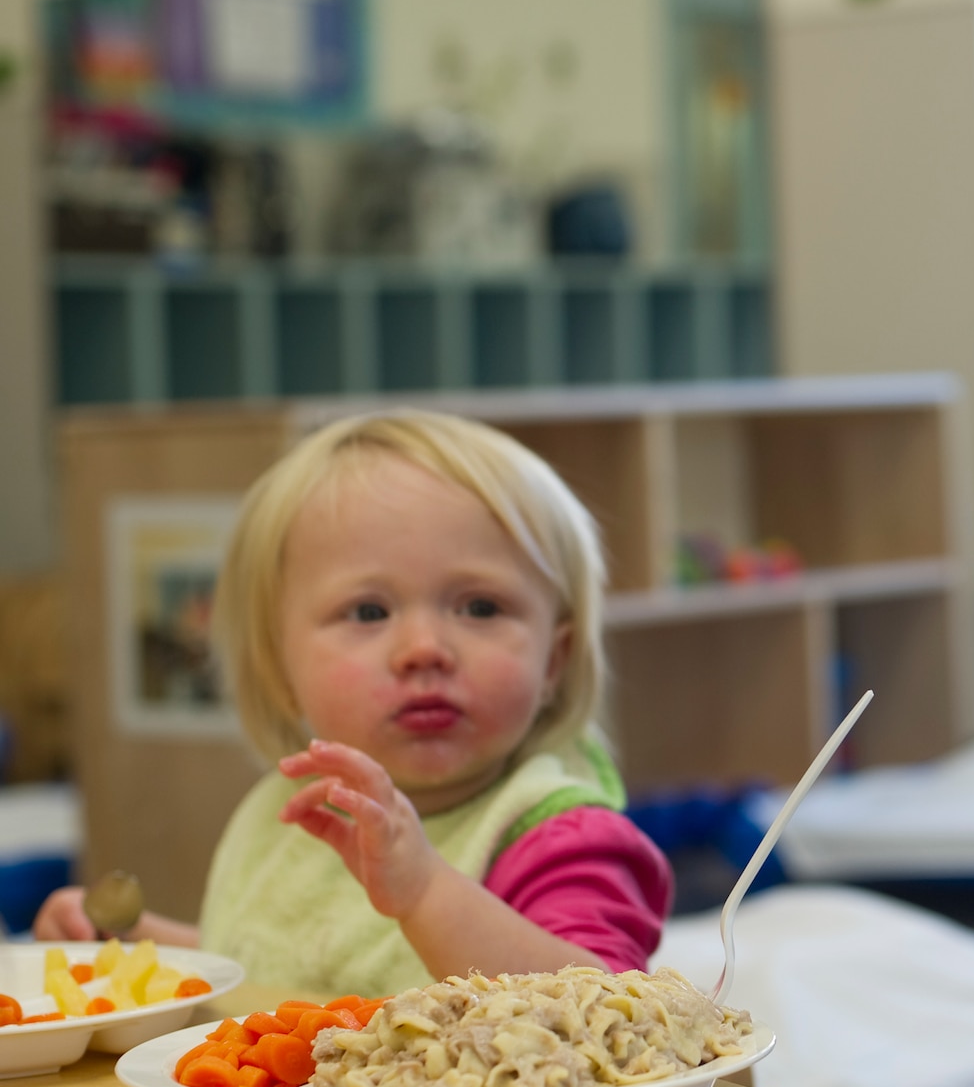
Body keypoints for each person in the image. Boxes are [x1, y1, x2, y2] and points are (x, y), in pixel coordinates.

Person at [37, 411, 671, 997]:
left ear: (553, 661)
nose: (425, 649)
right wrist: (133, 950)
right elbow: (281, 977)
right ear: (279, 668)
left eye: (480, 607)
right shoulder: (286, 820)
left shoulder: (562, 837)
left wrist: (424, 891)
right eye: (369, 611)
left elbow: (606, 1014)